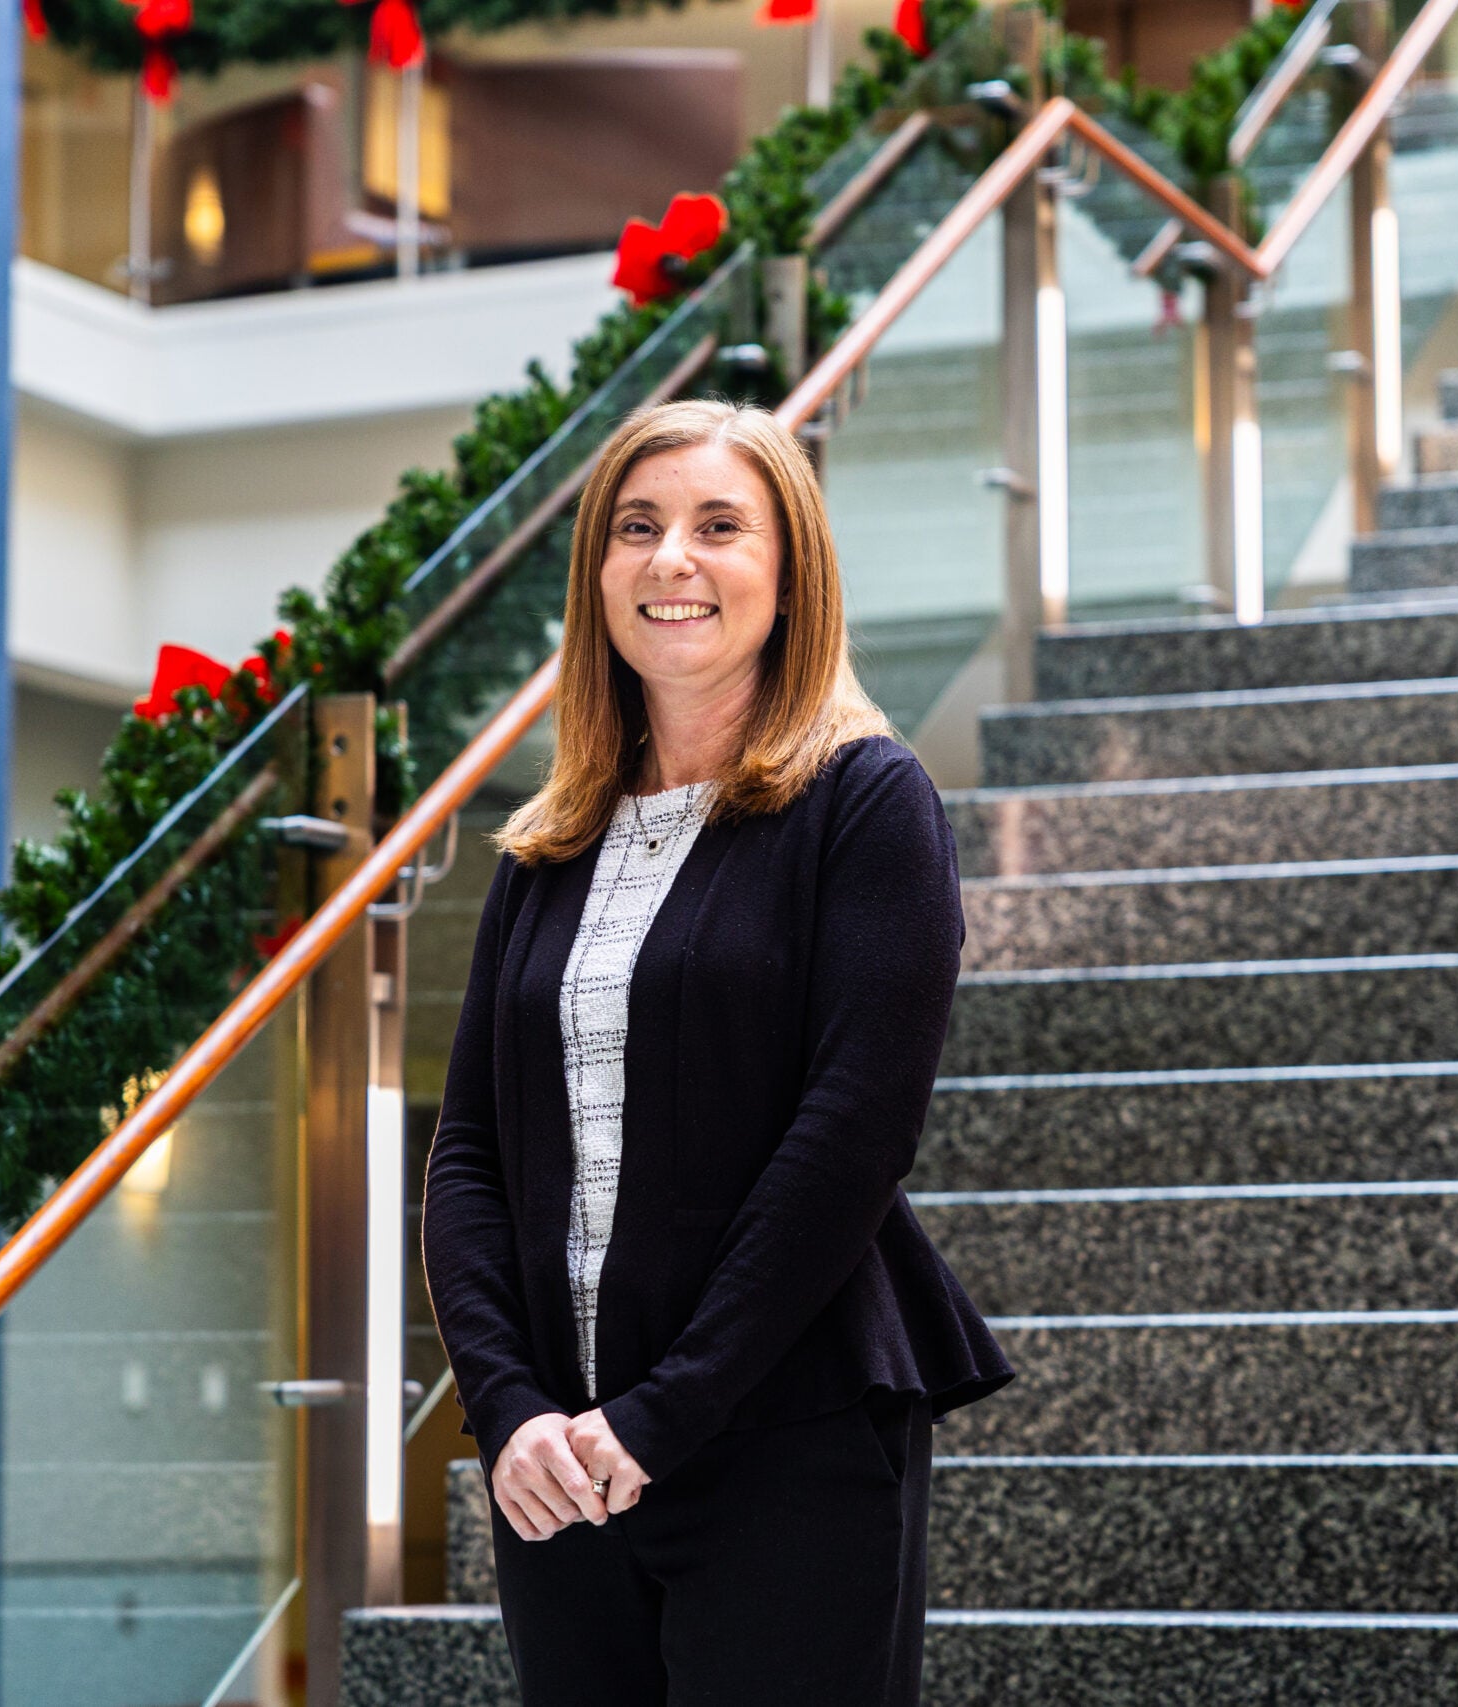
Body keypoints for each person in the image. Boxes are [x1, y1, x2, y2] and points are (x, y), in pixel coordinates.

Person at [421, 398, 1014, 1707]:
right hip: (561, 1468)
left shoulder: (866, 802)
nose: (671, 560)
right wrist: (509, 1407)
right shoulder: (548, 846)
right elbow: (468, 1152)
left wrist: (664, 1413)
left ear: (790, 572)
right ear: (598, 576)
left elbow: (852, 1135)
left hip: (782, 1435)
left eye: (718, 526)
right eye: (637, 528)